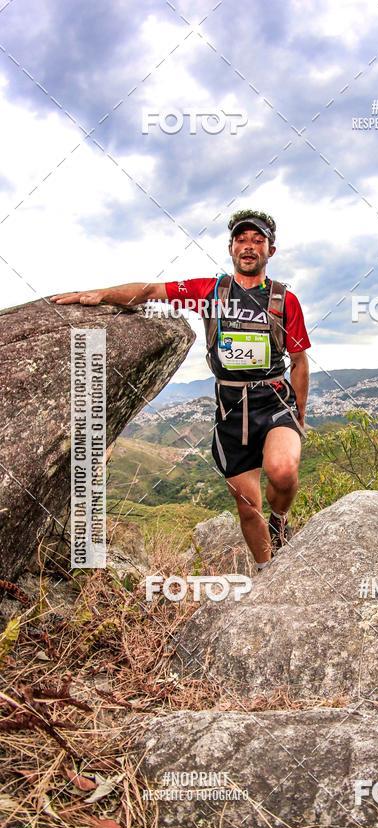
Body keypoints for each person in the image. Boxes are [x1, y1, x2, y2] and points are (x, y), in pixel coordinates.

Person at [50, 209, 311, 569]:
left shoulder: (284, 300)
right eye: (241, 240)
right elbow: (150, 291)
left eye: (258, 240)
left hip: (273, 399)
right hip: (231, 408)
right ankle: (268, 571)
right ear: (231, 247)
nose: (249, 247)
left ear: (271, 251)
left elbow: (299, 362)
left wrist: (300, 413)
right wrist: (100, 294)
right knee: (247, 505)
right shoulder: (210, 291)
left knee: (283, 470)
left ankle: (280, 518)